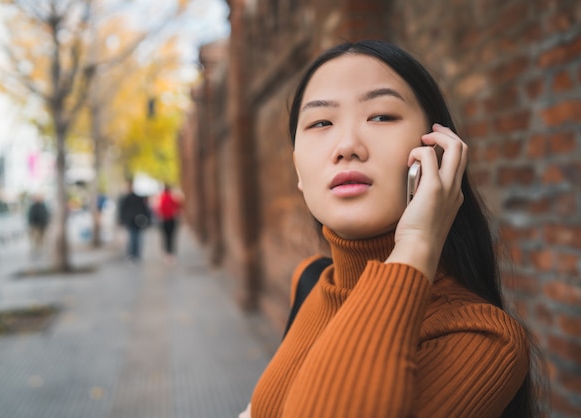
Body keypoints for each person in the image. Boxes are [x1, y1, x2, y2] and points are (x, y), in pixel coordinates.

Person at [241, 40, 540, 417]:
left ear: (436, 152)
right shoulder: (313, 282)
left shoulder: (482, 340)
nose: (347, 145)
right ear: (298, 168)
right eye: (321, 122)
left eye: (381, 116)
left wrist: (417, 243)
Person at [117, 180, 152, 261]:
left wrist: (122, 220)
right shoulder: (138, 198)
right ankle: (136, 254)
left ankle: (133, 254)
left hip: (131, 221)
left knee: (133, 237)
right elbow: (145, 209)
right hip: (138, 221)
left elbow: (123, 210)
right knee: (137, 237)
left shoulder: (126, 198)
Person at [154, 184, 181, 263]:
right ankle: (171, 253)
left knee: (165, 237)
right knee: (171, 237)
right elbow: (178, 207)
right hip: (171, 219)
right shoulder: (172, 198)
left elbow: (158, 209)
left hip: (164, 220)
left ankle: (166, 253)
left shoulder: (161, 198)